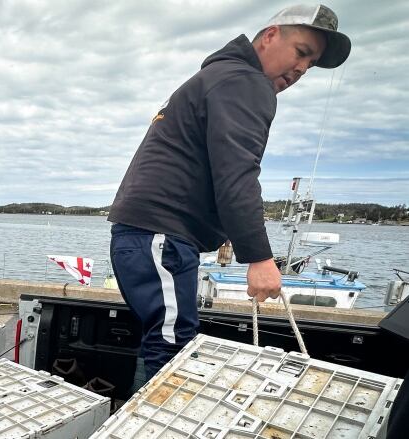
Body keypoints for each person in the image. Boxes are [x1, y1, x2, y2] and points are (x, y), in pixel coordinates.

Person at [108, 4, 351, 383]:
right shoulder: (245, 82)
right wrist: (259, 258)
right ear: (271, 35)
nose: (303, 69)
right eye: (302, 52)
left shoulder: (220, 77)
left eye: (312, 63)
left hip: (149, 234)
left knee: (165, 337)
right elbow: (237, 173)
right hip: (159, 233)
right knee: (172, 344)